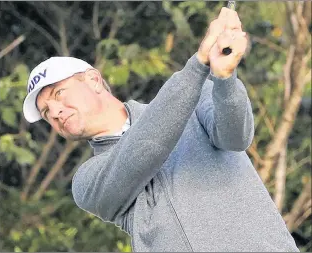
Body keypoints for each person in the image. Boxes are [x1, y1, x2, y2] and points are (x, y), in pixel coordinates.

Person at [23, 7, 299, 252]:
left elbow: (236, 137)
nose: (55, 112)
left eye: (59, 94)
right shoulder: (87, 181)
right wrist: (199, 63)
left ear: (94, 80)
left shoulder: (197, 96)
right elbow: (144, 149)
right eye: (46, 111)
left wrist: (224, 79)